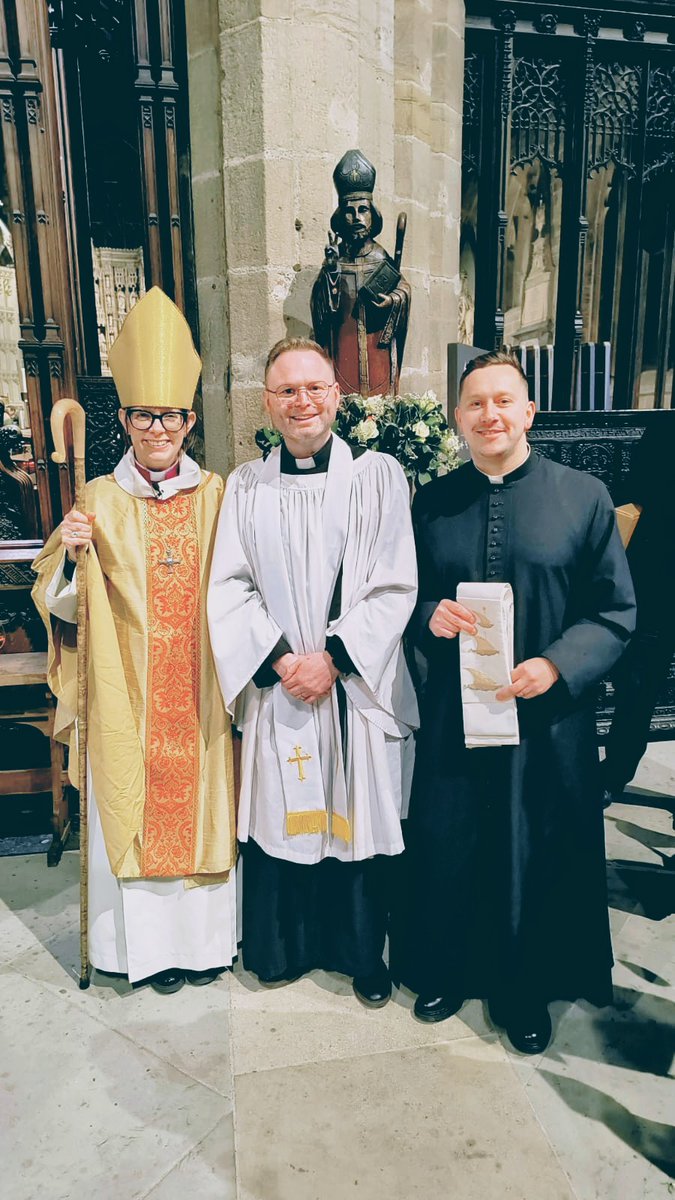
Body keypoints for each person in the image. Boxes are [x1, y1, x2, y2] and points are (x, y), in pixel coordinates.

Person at [394, 349, 636, 1052]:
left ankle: (525, 986)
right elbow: (402, 597)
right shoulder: (433, 501)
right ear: (457, 417)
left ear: (529, 411)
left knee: (534, 848)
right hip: (455, 717)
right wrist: (428, 613)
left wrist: (556, 664)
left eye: (504, 400)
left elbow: (615, 611)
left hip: (545, 723)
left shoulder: (582, 496)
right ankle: (446, 970)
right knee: (452, 840)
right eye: (475, 403)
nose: (489, 414)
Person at [32, 287, 237, 994]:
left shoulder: (216, 496)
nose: (159, 428)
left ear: (188, 420)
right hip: (127, 696)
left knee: (201, 810)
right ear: (124, 419)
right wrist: (72, 556)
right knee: (131, 798)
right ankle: (141, 955)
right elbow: (59, 606)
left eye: (171, 415)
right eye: (144, 415)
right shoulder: (96, 498)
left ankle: (204, 947)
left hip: (198, 689)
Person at [207, 336, 418, 1006]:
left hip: (351, 684)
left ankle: (361, 954)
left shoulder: (377, 477)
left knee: (354, 811)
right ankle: (283, 947)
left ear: (336, 395)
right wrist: (279, 661)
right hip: (281, 686)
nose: (301, 401)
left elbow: (395, 585)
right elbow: (227, 586)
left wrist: (333, 658)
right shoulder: (245, 486)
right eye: (286, 390)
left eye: (314, 387)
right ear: (267, 403)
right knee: (284, 813)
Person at [601, 421, 675, 809]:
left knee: (637, 693)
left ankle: (613, 775)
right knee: (637, 692)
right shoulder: (665, 433)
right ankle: (614, 773)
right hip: (655, 589)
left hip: (654, 587)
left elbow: (636, 486)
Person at [311, 149, 410, 397]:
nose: (356, 217)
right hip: (342, 352)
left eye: (363, 210)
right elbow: (322, 311)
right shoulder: (335, 260)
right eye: (349, 211)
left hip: (378, 352)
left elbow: (403, 289)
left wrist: (393, 300)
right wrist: (331, 273)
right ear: (339, 217)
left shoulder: (380, 258)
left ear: (372, 214)